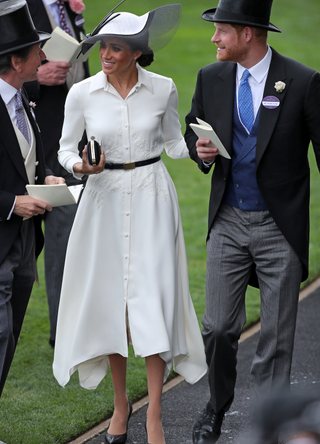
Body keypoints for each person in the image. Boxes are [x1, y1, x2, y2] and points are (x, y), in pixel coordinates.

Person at [52, 3, 207, 444]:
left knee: (152, 302)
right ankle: (122, 405)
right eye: (103, 46)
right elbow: (64, 151)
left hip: (153, 199)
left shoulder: (164, 89)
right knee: (112, 308)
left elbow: (175, 142)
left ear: (137, 53)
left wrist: (201, 151)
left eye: (116, 48)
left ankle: (155, 413)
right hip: (102, 202)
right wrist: (80, 167)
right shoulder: (81, 93)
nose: (106, 54)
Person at [184, 0, 320, 442]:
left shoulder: (302, 82)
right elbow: (194, 127)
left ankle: (270, 428)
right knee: (218, 327)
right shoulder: (211, 77)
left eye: (221, 30)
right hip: (228, 220)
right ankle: (216, 406)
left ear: (247, 34)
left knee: (276, 341)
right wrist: (198, 150)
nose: (214, 39)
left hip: (279, 227)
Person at [0, 0, 64, 396]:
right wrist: (11, 203)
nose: (44, 56)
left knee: (9, 338)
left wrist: (45, 178)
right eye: (37, 51)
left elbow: (27, 156)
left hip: (24, 243)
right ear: (16, 60)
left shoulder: (21, 96)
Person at [24, 0, 90, 348]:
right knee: (60, 241)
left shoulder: (69, 7)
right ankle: (62, 333)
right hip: (38, 144)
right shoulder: (18, 6)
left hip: (77, 143)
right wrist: (36, 78)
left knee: (80, 236)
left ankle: (78, 326)